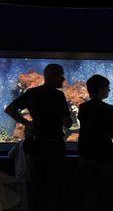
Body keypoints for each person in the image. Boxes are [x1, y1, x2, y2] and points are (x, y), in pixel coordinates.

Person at [4, 63, 73, 211]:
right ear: (51, 76)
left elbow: (10, 109)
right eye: (60, 75)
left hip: (37, 145)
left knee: (36, 184)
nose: (63, 78)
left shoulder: (32, 93)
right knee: (55, 185)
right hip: (54, 146)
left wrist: (27, 123)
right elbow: (67, 123)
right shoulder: (58, 95)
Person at [77, 74, 113, 211]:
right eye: (108, 88)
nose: (109, 90)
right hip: (104, 156)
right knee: (109, 194)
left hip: (85, 155)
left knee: (90, 195)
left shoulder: (83, 107)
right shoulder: (109, 109)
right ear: (101, 89)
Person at [8, 138, 31, 211]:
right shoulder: (38, 143)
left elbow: (10, 154)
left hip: (20, 175)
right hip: (32, 176)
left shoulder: (20, 143)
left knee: (21, 200)